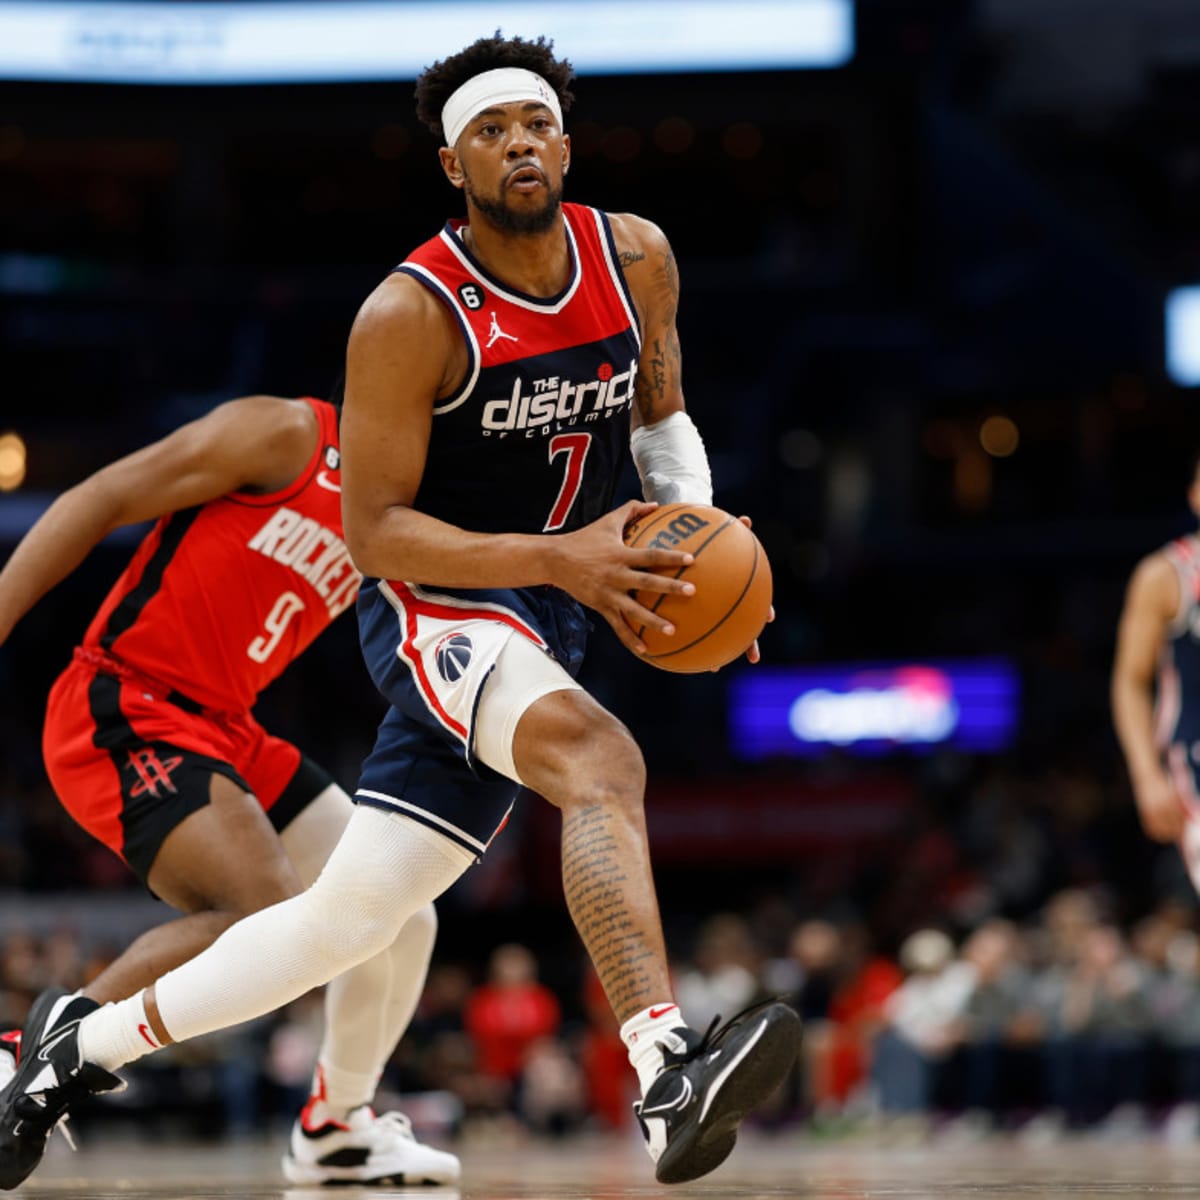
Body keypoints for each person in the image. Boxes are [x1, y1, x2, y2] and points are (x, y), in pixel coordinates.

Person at [0, 33, 801, 1190]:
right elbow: (370, 539)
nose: (519, 144)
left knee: (361, 918)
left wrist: (698, 543)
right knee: (597, 760)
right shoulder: (392, 331)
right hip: (422, 612)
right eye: (491, 130)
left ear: (566, 143)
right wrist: (562, 559)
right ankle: (666, 1068)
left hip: (485, 626)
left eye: (536, 123)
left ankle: (117, 1061)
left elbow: (660, 418)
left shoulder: (635, 256)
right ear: (452, 165)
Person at [0, 392, 458, 1186]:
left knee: (402, 913)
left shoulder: (395, 512)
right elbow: (98, 497)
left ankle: (337, 1128)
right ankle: (43, 1047)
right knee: (267, 917)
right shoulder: (287, 434)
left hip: (225, 726)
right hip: (126, 699)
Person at [1112, 452, 1200, 891]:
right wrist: (1147, 776)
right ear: (1195, 496)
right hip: (1194, 764)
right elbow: (1130, 681)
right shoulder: (1166, 575)